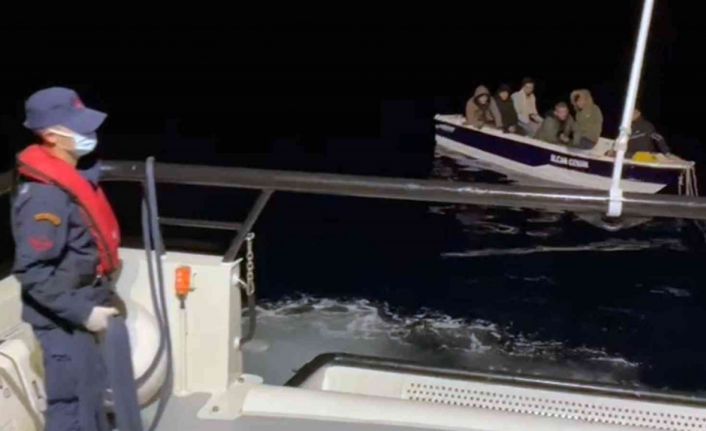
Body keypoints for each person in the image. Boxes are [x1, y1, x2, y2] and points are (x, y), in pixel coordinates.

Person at [12, 87, 121, 431]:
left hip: (81, 301)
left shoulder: (69, 180)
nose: (90, 134)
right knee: (71, 405)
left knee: (92, 393)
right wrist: (83, 313)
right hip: (62, 318)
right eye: (79, 127)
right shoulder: (43, 199)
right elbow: (32, 272)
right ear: (51, 136)